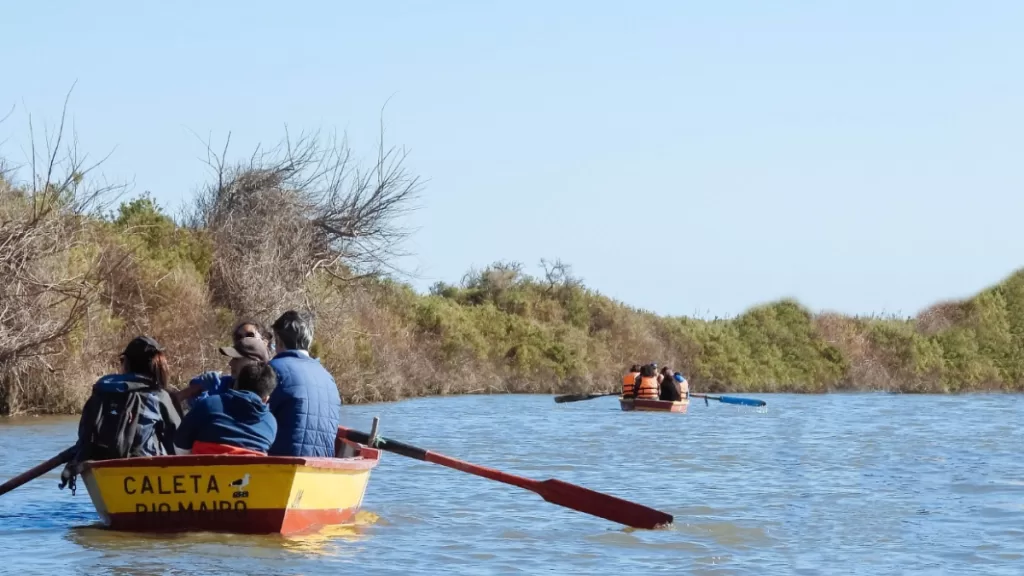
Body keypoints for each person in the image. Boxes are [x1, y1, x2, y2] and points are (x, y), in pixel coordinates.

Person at [60, 336, 181, 490]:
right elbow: (179, 443)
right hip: (148, 473)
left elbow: (84, 434)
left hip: (105, 469)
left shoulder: (100, 393)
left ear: (127, 363)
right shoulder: (159, 396)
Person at [266, 310, 342, 457]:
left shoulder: (272, 369)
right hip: (323, 466)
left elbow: (252, 418)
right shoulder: (328, 378)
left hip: (282, 464)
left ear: (279, 340)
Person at [174, 360, 279, 455]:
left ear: (236, 384)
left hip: (204, 473)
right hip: (248, 476)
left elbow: (179, 446)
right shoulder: (270, 423)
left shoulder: (209, 404)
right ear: (266, 399)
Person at [183, 324, 272, 409]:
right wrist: (201, 388)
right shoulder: (225, 383)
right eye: (238, 337)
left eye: (250, 335)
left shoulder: (270, 392)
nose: (230, 363)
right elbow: (198, 407)